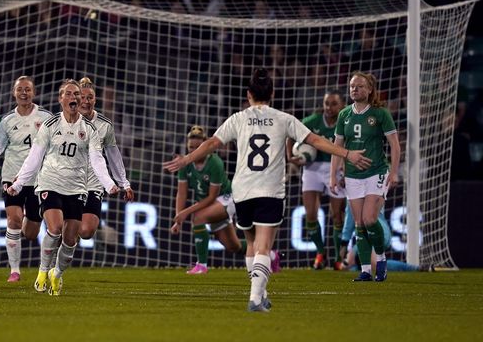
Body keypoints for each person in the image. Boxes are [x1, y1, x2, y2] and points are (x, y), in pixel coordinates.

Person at [163, 68, 370, 312]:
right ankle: (254, 298)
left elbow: (211, 143)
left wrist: (186, 159)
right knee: (264, 246)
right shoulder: (283, 118)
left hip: (242, 191)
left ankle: (261, 294)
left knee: (251, 243)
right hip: (270, 190)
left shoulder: (238, 118)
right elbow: (315, 140)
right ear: (272, 92)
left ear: (248, 94)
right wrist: (347, 153)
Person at [6, 79, 119, 296]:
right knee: (55, 227)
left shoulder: (90, 129)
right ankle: (42, 270)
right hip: (50, 182)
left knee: (70, 239)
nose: (73, 98)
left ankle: (56, 274)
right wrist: (19, 183)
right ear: (61, 99)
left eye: (76, 94)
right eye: (68, 94)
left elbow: (97, 160)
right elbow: (34, 157)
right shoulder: (50, 126)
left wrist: (110, 184)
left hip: (77, 187)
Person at [0, 76, 52, 283]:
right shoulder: (7, 120)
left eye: (27, 89)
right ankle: (15, 270)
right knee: (13, 220)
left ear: (34, 92)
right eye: (20, 90)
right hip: (11, 177)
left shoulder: (45, 117)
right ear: (14, 93)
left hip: (38, 179)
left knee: (31, 232)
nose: (24, 93)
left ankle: (30, 216)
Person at [330, 71, 400, 283]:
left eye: (359, 86)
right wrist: (333, 175)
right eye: (352, 86)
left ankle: (381, 259)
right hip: (353, 176)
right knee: (359, 223)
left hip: (376, 172)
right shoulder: (344, 115)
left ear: (370, 90)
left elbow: (395, 146)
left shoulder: (380, 114)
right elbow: (337, 147)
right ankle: (366, 271)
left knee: (370, 219)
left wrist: (394, 171)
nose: (355, 89)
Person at [170, 125, 248, 275]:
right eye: (190, 147)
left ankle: (202, 265)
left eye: (197, 147)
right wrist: (178, 219)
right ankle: (268, 254)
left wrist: (186, 212)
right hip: (211, 204)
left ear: (205, 146)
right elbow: (181, 193)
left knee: (198, 217)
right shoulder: (185, 165)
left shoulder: (215, 163)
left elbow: (213, 196)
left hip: (229, 198)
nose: (193, 151)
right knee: (233, 246)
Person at [287, 90, 348, 270]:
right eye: (326, 103)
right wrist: (290, 156)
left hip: (336, 168)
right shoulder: (313, 121)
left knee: (337, 215)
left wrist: (346, 169)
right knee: (311, 215)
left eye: (334, 104)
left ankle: (338, 258)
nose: (329, 107)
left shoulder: (346, 121)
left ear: (342, 105)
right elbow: (290, 134)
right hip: (312, 169)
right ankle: (321, 253)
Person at [77, 77, 134, 243]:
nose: (86, 102)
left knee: (86, 231)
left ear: (95, 99)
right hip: (67, 181)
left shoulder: (104, 125)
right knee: (60, 229)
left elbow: (114, 156)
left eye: (90, 98)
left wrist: (124, 183)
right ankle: (51, 268)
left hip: (93, 183)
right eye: (82, 97)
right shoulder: (64, 122)